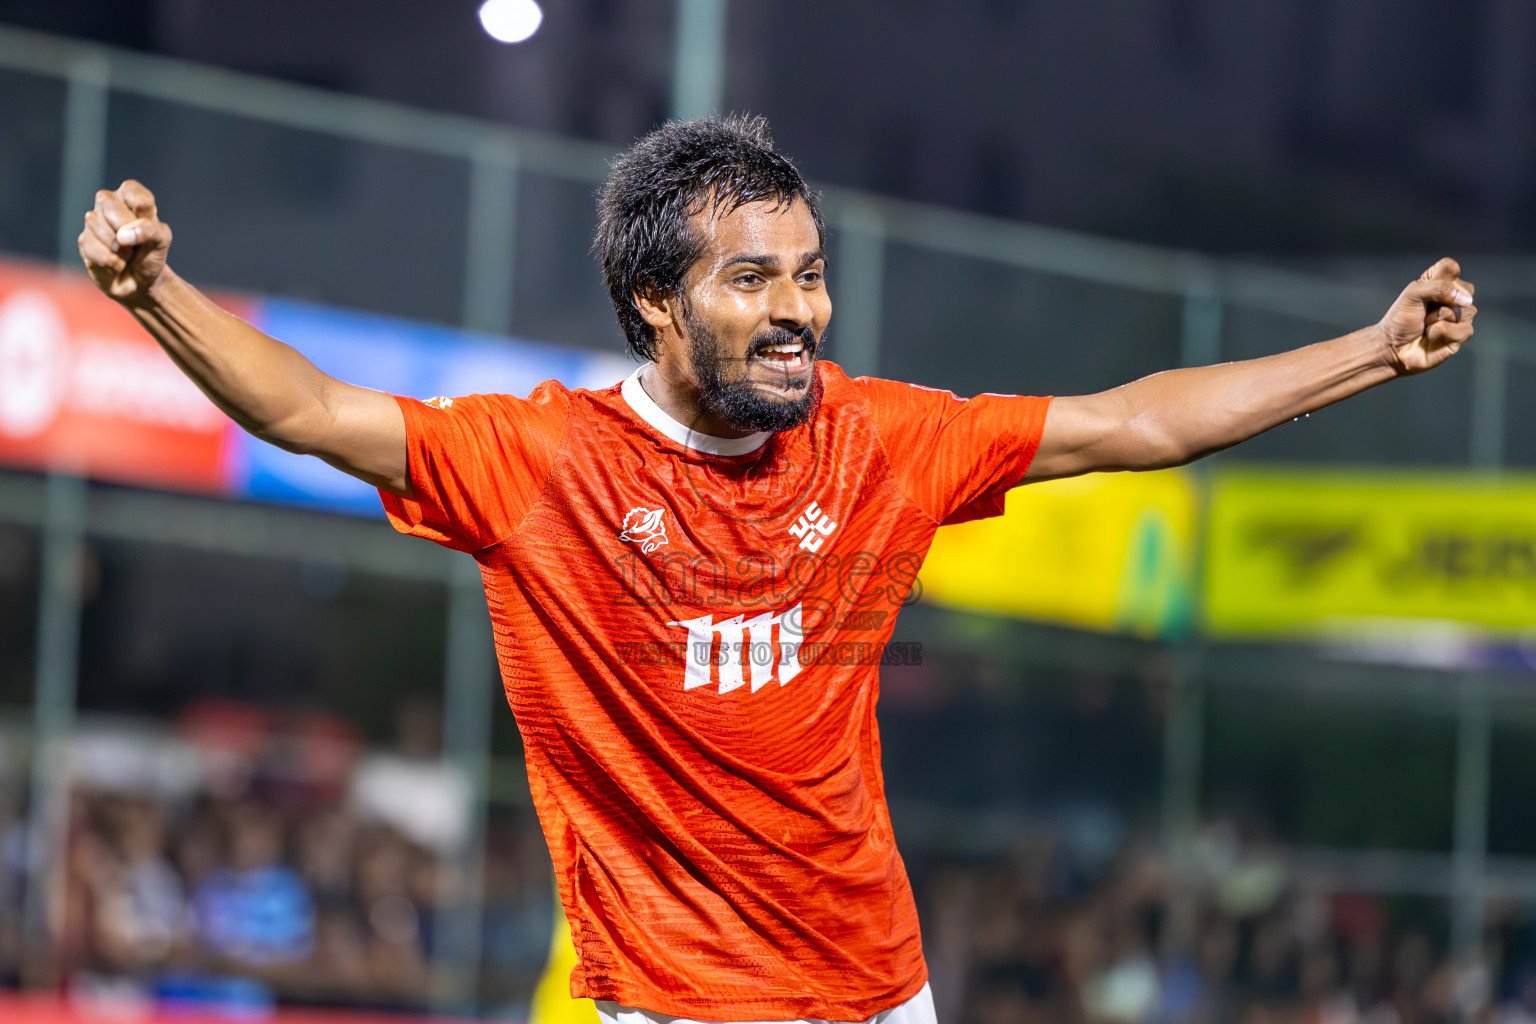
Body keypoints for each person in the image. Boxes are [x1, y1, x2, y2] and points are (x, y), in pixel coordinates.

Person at [77, 115, 1475, 1024]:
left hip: (881, 991)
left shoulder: (882, 439)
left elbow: (1133, 422)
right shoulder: (543, 464)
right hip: (672, 1003)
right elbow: (310, 414)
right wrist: (154, 295)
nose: (799, 308)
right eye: (752, 280)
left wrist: (1372, 348)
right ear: (654, 305)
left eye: (808, 272)